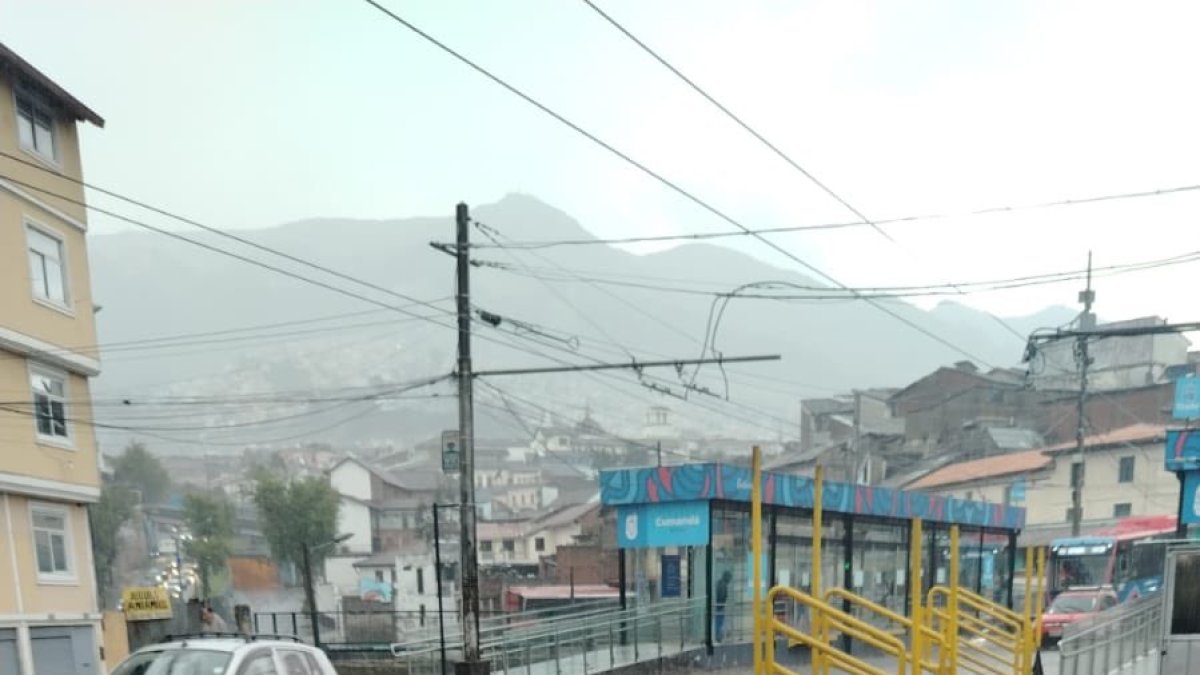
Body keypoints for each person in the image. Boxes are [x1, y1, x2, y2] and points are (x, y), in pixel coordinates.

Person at [714, 570, 732, 642]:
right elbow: (721, 596)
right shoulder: (723, 585)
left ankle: (720, 635)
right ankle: (719, 637)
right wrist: (721, 606)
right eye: (729, 578)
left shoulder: (720, 583)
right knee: (719, 622)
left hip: (719, 606)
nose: (730, 580)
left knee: (720, 622)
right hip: (720, 607)